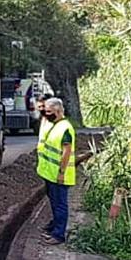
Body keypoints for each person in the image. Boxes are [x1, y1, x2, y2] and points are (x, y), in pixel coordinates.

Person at [37, 98, 75, 245]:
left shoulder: (65, 128)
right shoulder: (54, 124)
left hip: (59, 175)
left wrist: (61, 172)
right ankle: (54, 228)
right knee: (54, 202)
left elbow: (66, 152)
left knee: (60, 205)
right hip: (50, 174)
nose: (47, 115)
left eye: (49, 112)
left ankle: (59, 235)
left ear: (58, 111)